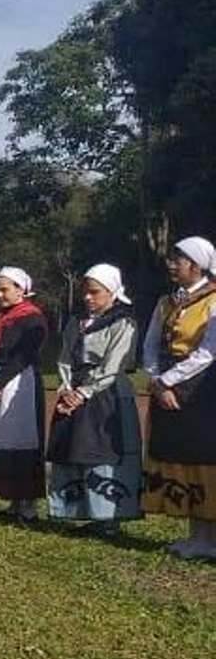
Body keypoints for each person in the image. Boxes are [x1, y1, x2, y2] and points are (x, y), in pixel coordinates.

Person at [47, 263, 141, 535]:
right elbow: (65, 356)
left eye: (94, 292)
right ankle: (77, 510)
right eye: (85, 293)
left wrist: (83, 392)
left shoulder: (123, 322)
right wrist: (65, 388)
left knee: (103, 449)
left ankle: (108, 517)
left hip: (106, 393)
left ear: (111, 292)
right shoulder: (75, 322)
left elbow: (114, 364)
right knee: (74, 447)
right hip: (76, 390)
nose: (88, 297)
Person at [141, 235, 216, 559]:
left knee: (202, 458)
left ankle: (206, 539)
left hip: (201, 389)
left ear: (196, 266)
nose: (172, 265)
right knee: (179, 456)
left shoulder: (213, 300)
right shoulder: (166, 302)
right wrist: (157, 381)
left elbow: (208, 351)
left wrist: (169, 381)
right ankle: (196, 537)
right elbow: (150, 345)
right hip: (167, 385)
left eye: (178, 260)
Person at [0, 267, 48, 526]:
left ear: (21, 289)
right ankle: (12, 500)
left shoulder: (32, 318)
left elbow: (24, 356)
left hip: (18, 384)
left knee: (20, 439)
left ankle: (27, 506)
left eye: (4, 289)